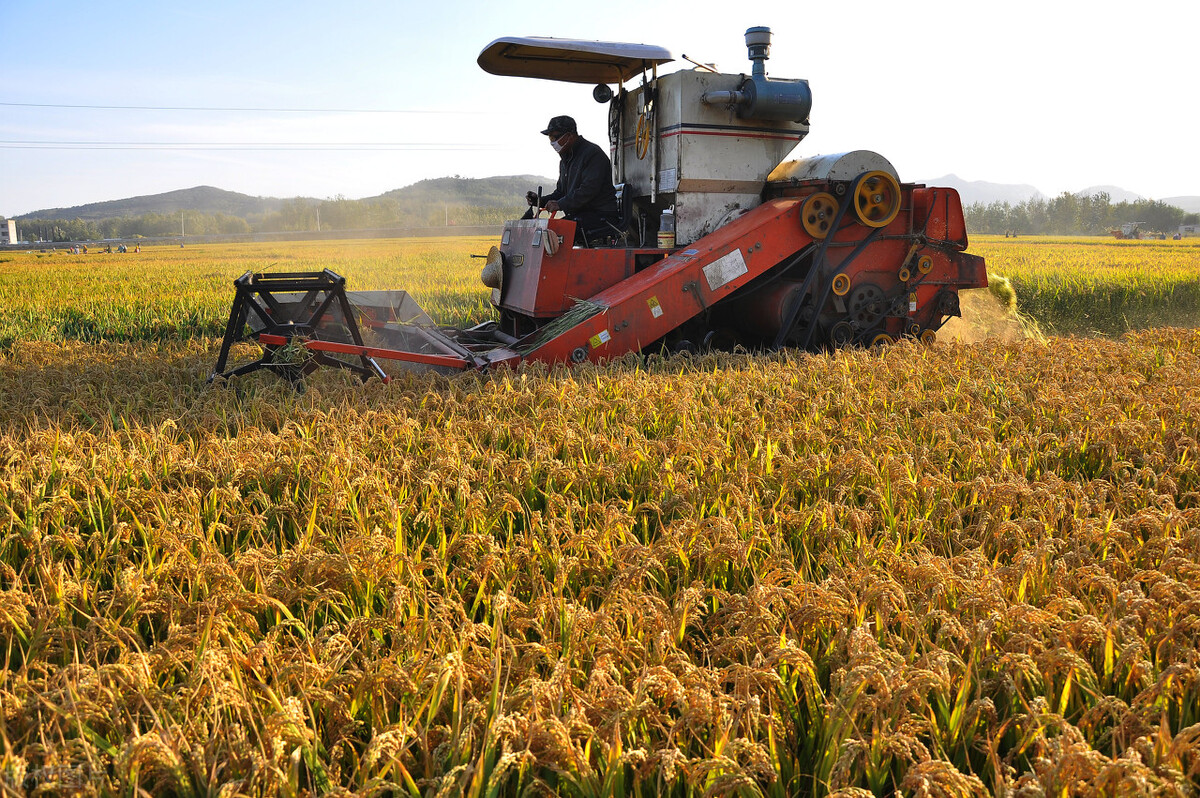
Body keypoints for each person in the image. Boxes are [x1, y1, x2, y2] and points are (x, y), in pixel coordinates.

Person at [524, 115, 618, 244]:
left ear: (569, 136)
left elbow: (588, 190)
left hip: (601, 215)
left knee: (553, 234)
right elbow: (561, 192)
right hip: (581, 215)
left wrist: (560, 204)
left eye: (555, 137)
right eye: (550, 138)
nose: (552, 143)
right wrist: (540, 201)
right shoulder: (566, 160)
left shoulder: (592, 154)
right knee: (547, 232)